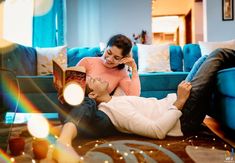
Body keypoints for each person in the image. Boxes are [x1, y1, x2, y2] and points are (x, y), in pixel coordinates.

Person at [53, 48, 235, 162]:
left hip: (175, 104)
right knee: (218, 55)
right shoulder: (116, 109)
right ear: (93, 94)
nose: (99, 77)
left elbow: (87, 108)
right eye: (94, 80)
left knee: (203, 59)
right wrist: (179, 101)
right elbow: (157, 130)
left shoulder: (114, 101)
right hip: (184, 115)